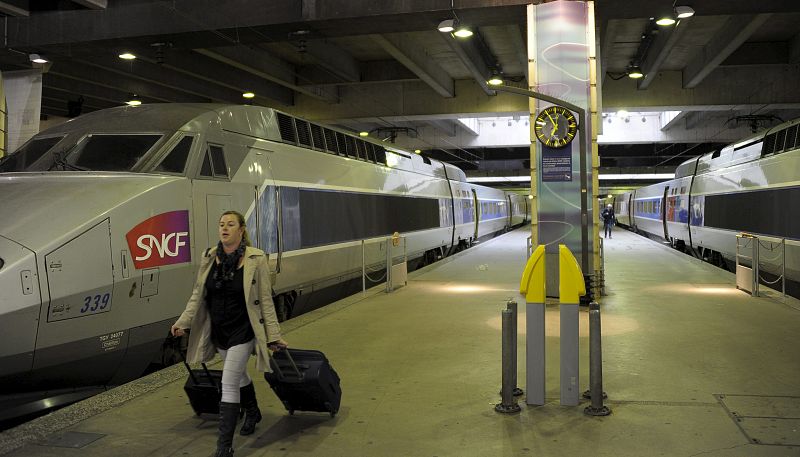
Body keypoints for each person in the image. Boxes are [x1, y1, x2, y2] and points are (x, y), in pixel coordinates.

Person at [171, 210, 288, 457]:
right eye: (221, 224)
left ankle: (224, 447)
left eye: (230, 224)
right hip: (219, 331)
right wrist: (184, 322)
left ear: (241, 229)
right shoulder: (210, 257)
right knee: (238, 376)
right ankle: (253, 411)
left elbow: (265, 300)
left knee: (228, 383)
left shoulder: (256, 259)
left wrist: (273, 336)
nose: (224, 228)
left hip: (243, 330)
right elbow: (197, 295)